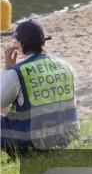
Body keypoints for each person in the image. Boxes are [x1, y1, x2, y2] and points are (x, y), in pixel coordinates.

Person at [1, 19, 79, 153]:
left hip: (32, 143)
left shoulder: (18, 72)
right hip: (66, 136)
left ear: (21, 45)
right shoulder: (66, 66)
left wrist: (7, 68)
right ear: (43, 42)